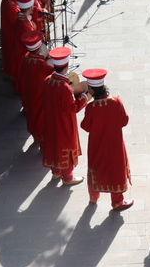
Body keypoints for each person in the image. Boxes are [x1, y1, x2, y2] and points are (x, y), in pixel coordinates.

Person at [80, 69, 134, 211]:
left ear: (91, 90)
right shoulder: (116, 102)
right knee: (116, 169)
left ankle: (93, 197)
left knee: (95, 167)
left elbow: (85, 126)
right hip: (115, 144)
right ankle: (117, 202)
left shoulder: (91, 107)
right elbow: (124, 121)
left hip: (96, 145)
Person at [40, 47, 87, 186]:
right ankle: (67, 177)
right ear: (66, 67)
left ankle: (56, 171)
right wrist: (84, 98)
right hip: (63, 123)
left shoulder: (48, 80)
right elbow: (71, 108)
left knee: (54, 146)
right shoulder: (64, 87)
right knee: (66, 147)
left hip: (51, 120)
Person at [18, 30, 52, 142]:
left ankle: (36, 136)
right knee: (41, 116)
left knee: (33, 114)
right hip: (40, 94)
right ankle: (42, 140)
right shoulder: (40, 63)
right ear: (39, 48)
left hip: (30, 91)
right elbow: (51, 71)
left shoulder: (27, 57)